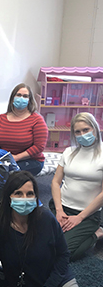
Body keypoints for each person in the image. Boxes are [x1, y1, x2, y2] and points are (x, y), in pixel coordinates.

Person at [50, 112, 103, 262]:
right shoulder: (69, 152)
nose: (82, 134)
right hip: (62, 208)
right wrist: (59, 211)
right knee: (46, 241)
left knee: (64, 253)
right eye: (77, 132)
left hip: (87, 214)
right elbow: (55, 182)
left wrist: (79, 218)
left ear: (95, 128)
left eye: (86, 130)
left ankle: (96, 234)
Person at [0, 83, 48, 176]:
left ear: (29, 100)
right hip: (2, 159)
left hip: (30, 161)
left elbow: (39, 147)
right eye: (18, 95)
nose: (21, 98)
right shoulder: (1, 118)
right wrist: (1, 156)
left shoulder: (37, 120)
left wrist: (16, 158)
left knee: (6, 173)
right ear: (12, 98)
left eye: (25, 96)